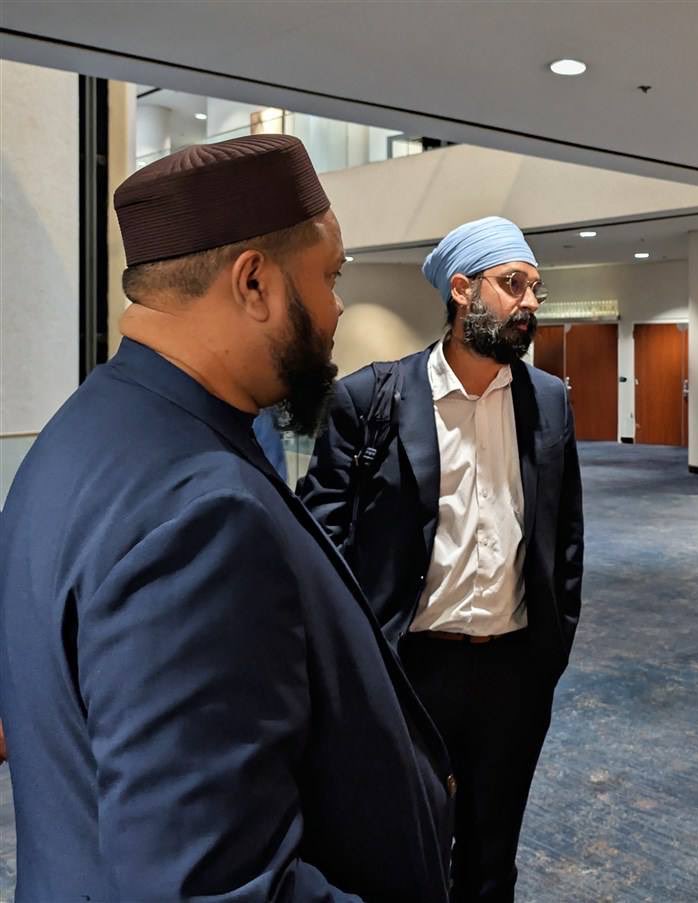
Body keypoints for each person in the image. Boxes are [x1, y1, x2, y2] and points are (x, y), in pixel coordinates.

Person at [0, 135, 453, 901]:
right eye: (329, 277)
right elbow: (212, 886)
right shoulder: (199, 513)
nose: (338, 308)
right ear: (254, 283)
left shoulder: (76, 435)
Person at [298, 215, 584, 902]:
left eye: (535, 288)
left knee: (492, 859)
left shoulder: (546, 400)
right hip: (409, 669)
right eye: (512, 285)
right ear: (462, 291)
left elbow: (564, 533)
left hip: (514, 671)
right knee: (402, 848)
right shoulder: (372, 399)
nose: (529, 304)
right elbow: (320, 542)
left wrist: (551, 650)